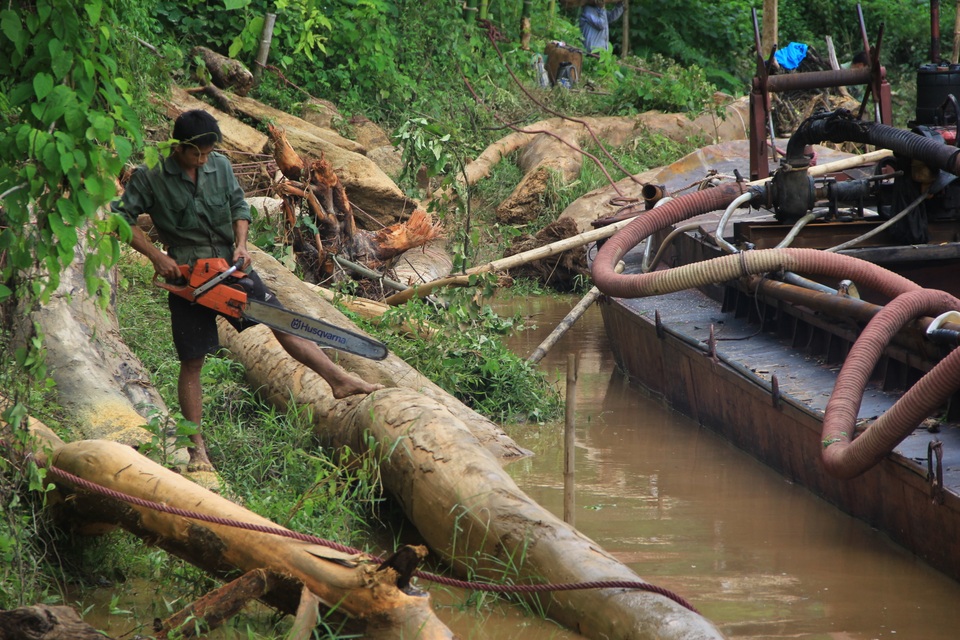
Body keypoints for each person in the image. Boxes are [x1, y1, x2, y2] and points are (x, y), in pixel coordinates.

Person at [116, 109, 384, 473]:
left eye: (209, 152)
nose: (204, 159)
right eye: (198, 153)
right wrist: (155, 256)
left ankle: (338, 380)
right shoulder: (152, 178)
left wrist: (241, 245)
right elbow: (121, 220)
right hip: (187, 278)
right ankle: (197, 450)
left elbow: (239, 208)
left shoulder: (220, 167)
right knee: (192, 361)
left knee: (283, 321)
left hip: (229, 265)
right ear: (179, 148)